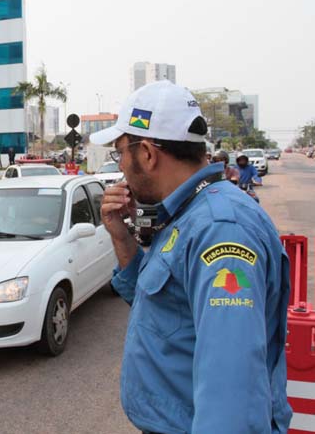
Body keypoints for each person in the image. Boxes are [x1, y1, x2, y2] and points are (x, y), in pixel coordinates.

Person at [91, 81, 290, 433]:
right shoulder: (186, 214)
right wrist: (122, 239)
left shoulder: (221, 230)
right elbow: (167, 309)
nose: (119, 165)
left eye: (120, 152)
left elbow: (232, 398)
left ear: (149, 154)